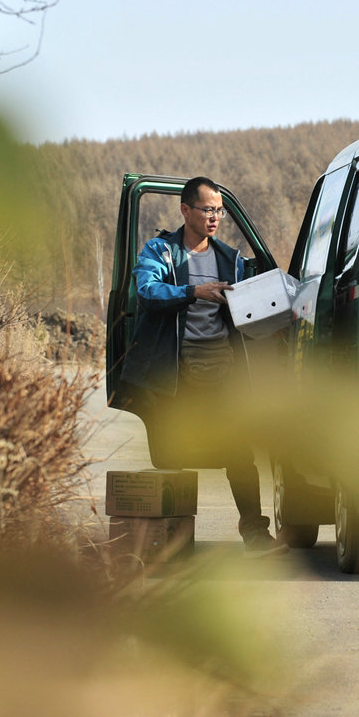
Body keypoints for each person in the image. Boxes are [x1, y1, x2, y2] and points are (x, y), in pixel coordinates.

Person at [119, 176, 287, 556]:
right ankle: (168, 541)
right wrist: (193, 291)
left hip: (223, 367)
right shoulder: (160, 252)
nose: (215, 217)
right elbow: (146, 291)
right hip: (176, 373)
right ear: (185, 210)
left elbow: (249, 309)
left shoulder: (229, 258)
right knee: (174, 454)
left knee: (239, 453)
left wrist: (279, 313)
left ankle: (256, 533)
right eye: (208, 209)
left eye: (219, 211)